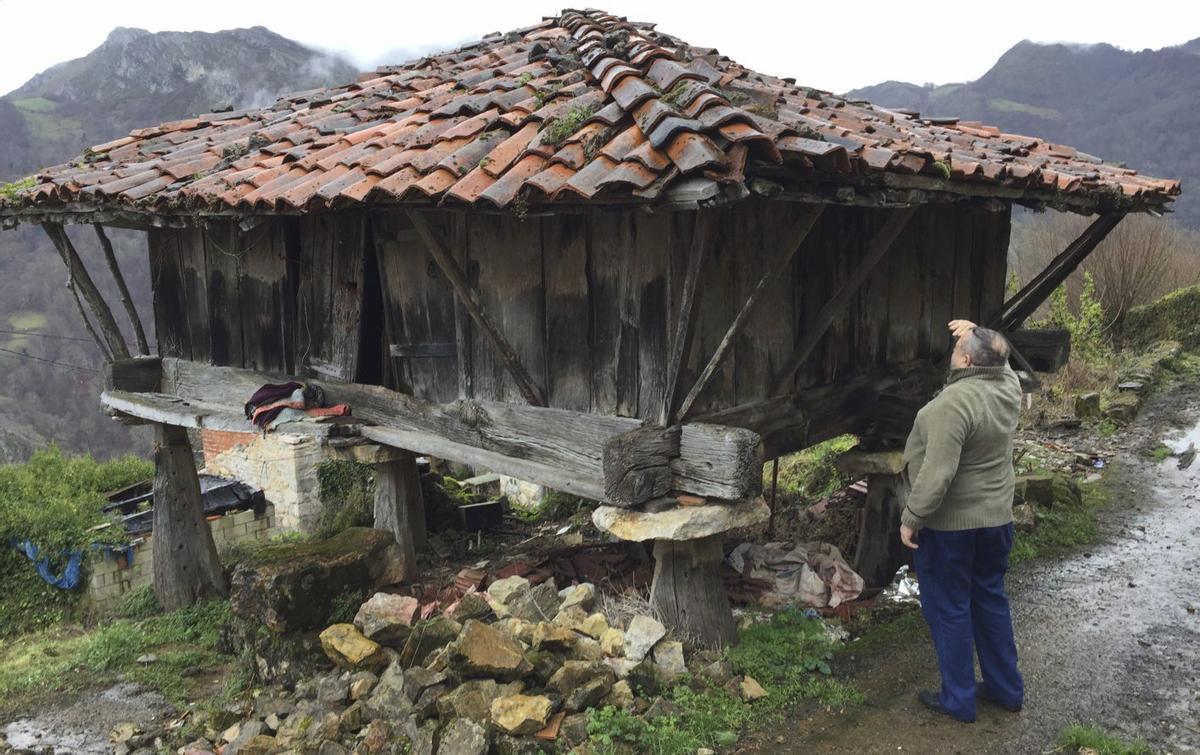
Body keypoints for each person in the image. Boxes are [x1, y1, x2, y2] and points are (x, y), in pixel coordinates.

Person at [898, 319, 1025, 723]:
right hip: (996, 520)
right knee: (989, 599)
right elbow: (1002, 360)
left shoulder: (950, 405)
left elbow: (938, 473)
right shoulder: (1008, 387)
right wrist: (981, 331)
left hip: (951, 527)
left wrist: (912, 518)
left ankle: (958, 699)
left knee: (948, 608)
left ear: (967, 361)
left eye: (957, 349)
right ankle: (1006, 690)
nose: (951, 353)